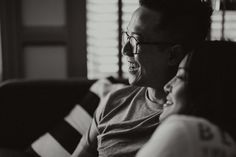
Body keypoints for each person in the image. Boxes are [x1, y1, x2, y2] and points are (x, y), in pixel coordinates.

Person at [72, 0, 213, 156]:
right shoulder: (113, 103)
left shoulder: (197, 125)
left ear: (173, 54)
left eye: (136, 41)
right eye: (127, 37)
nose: (125, 51)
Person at [136, 41, 236, 157]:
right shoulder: (227, 141)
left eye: (181, 77)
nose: (167, 86)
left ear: (208, 87)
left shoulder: (183, 130)